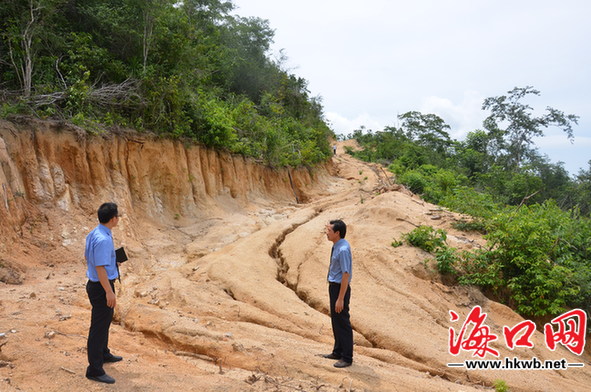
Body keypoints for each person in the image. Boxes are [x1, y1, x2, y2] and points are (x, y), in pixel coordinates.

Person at [84, 202, 123, 384]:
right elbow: (99, 268)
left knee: (105, 320)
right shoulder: (104, 239)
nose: (118, 219)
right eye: (117, 216)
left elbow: (91, 258)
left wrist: (113, 262)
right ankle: (94, 369)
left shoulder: (96, 232)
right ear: (113, 219)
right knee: (98, 327)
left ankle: (103, 354)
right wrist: (109, 292)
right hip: (101, 287)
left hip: (98, 284)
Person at [322, 219, 353, 368]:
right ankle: (338, 351)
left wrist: (340, 298)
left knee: (342, 322)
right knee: (336, 320)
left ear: (337, 233)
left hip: (340, 288)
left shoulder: (343, 249)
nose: (326, 233)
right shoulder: (337, 245)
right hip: (334, 286)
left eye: (329, 230)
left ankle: (347, 357)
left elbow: (346, 275)